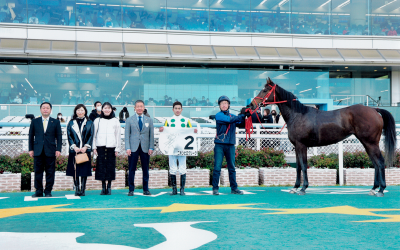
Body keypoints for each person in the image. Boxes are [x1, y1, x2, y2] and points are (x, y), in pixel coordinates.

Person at [212, 96, 250, 195]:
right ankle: (215, 188)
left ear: (229, 105)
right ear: (219, 106)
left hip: (230, 144)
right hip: (219, 145)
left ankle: (234, 188)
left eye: (225, 103)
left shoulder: (232, 116)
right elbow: (230, 120)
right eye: (222, 103)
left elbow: (241, 123)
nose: (224, 105)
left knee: (232, 167)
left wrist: (247, 115)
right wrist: (242, 114)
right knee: (217, 167)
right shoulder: (218, 115)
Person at [159, 101, 197, 196]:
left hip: (183, 147)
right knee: (172, 167)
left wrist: (194, 131)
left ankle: (182, 189)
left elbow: (190, 132)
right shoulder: (168, 120)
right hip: (171, 147)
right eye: (175, 108)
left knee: (182, 167)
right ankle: (174, 189)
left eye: (179, 108)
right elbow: (165, 132)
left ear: (181, 109)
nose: (177, 110)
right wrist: (161, 130)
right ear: (173, 109)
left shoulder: (186, 120)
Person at [29, 102, 62, 198]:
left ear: (51, 110)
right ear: (40, 109)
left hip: (51, 150)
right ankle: (38, 191)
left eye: (47, 108)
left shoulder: (55, 122)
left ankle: (48, 191)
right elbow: (31, 136)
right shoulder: (35, 121)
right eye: (43, 108)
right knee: (38, 171)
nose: (45, 109)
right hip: (38, 150)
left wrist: (58, 149)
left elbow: (59, 137)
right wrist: (31, 149)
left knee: (50, 172)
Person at [126, 100, 154, 196]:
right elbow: (127, 135)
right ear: (134, 108)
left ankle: (146, 189)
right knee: (131, 169)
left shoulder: (149, 120)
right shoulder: (129, 120)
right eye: (137, 106)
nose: (139, 108)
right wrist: (127, 147)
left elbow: (151, 135)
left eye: (141, 106)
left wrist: (151, 147)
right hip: (133, 148)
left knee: (145, 169)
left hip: (145, 148)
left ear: (144, 107)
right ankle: (131, 189)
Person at [92, 102, 121, 195]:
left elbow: (118, 135)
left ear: (111, 109)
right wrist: (94, 147)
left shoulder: (115, 120)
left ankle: (109, 187)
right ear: (102, 109)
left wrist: (117, 148)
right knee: (101, 167)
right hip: (100, 146)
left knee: (110, 167)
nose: (107, 110)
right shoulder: (97, 120)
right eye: (105, 108)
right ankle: (103, 186)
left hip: (111, 147)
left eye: (109, 108)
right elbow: (94, 135)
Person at [66, 104, 94, 196]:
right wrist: (74, 147)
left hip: (85, 150)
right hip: (75, 151)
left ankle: (83, 189)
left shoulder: (90, 122)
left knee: (84, 170)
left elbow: (91, 135)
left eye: (82, 110)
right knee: (75, 170)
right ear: (75, 111)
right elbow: (69, 136)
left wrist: (86, 147)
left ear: (85, 111)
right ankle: (77, 188)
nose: (80, 112)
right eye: (78, 110)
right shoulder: (71, 122)